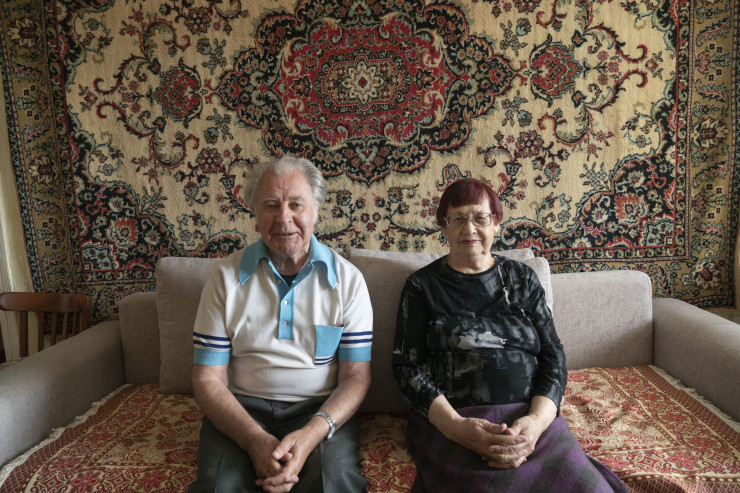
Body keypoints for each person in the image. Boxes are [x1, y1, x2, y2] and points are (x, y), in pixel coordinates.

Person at [392, 178, 628, 492]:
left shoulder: (522, 279)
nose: (469, 229)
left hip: (530, 418)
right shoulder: (422, 286)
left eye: (480, 218)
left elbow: (553, 356)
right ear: (443, 226)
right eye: (458, 219)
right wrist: (457, 428)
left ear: (496, 223)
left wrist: (536, 423)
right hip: (456, 421)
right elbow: (407, 368)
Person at [189, 156, 372, 493]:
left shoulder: (349, 281)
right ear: (256, 216)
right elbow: (207, 379)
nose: (284, 218)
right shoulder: (224, 278)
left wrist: (312, 433)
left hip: (319, 411)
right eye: (271, 205)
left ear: (316, 211)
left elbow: (356, 377)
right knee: (218, 487)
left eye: (296, 204)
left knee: (334, 484)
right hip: (241, 409)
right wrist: (254, 439)